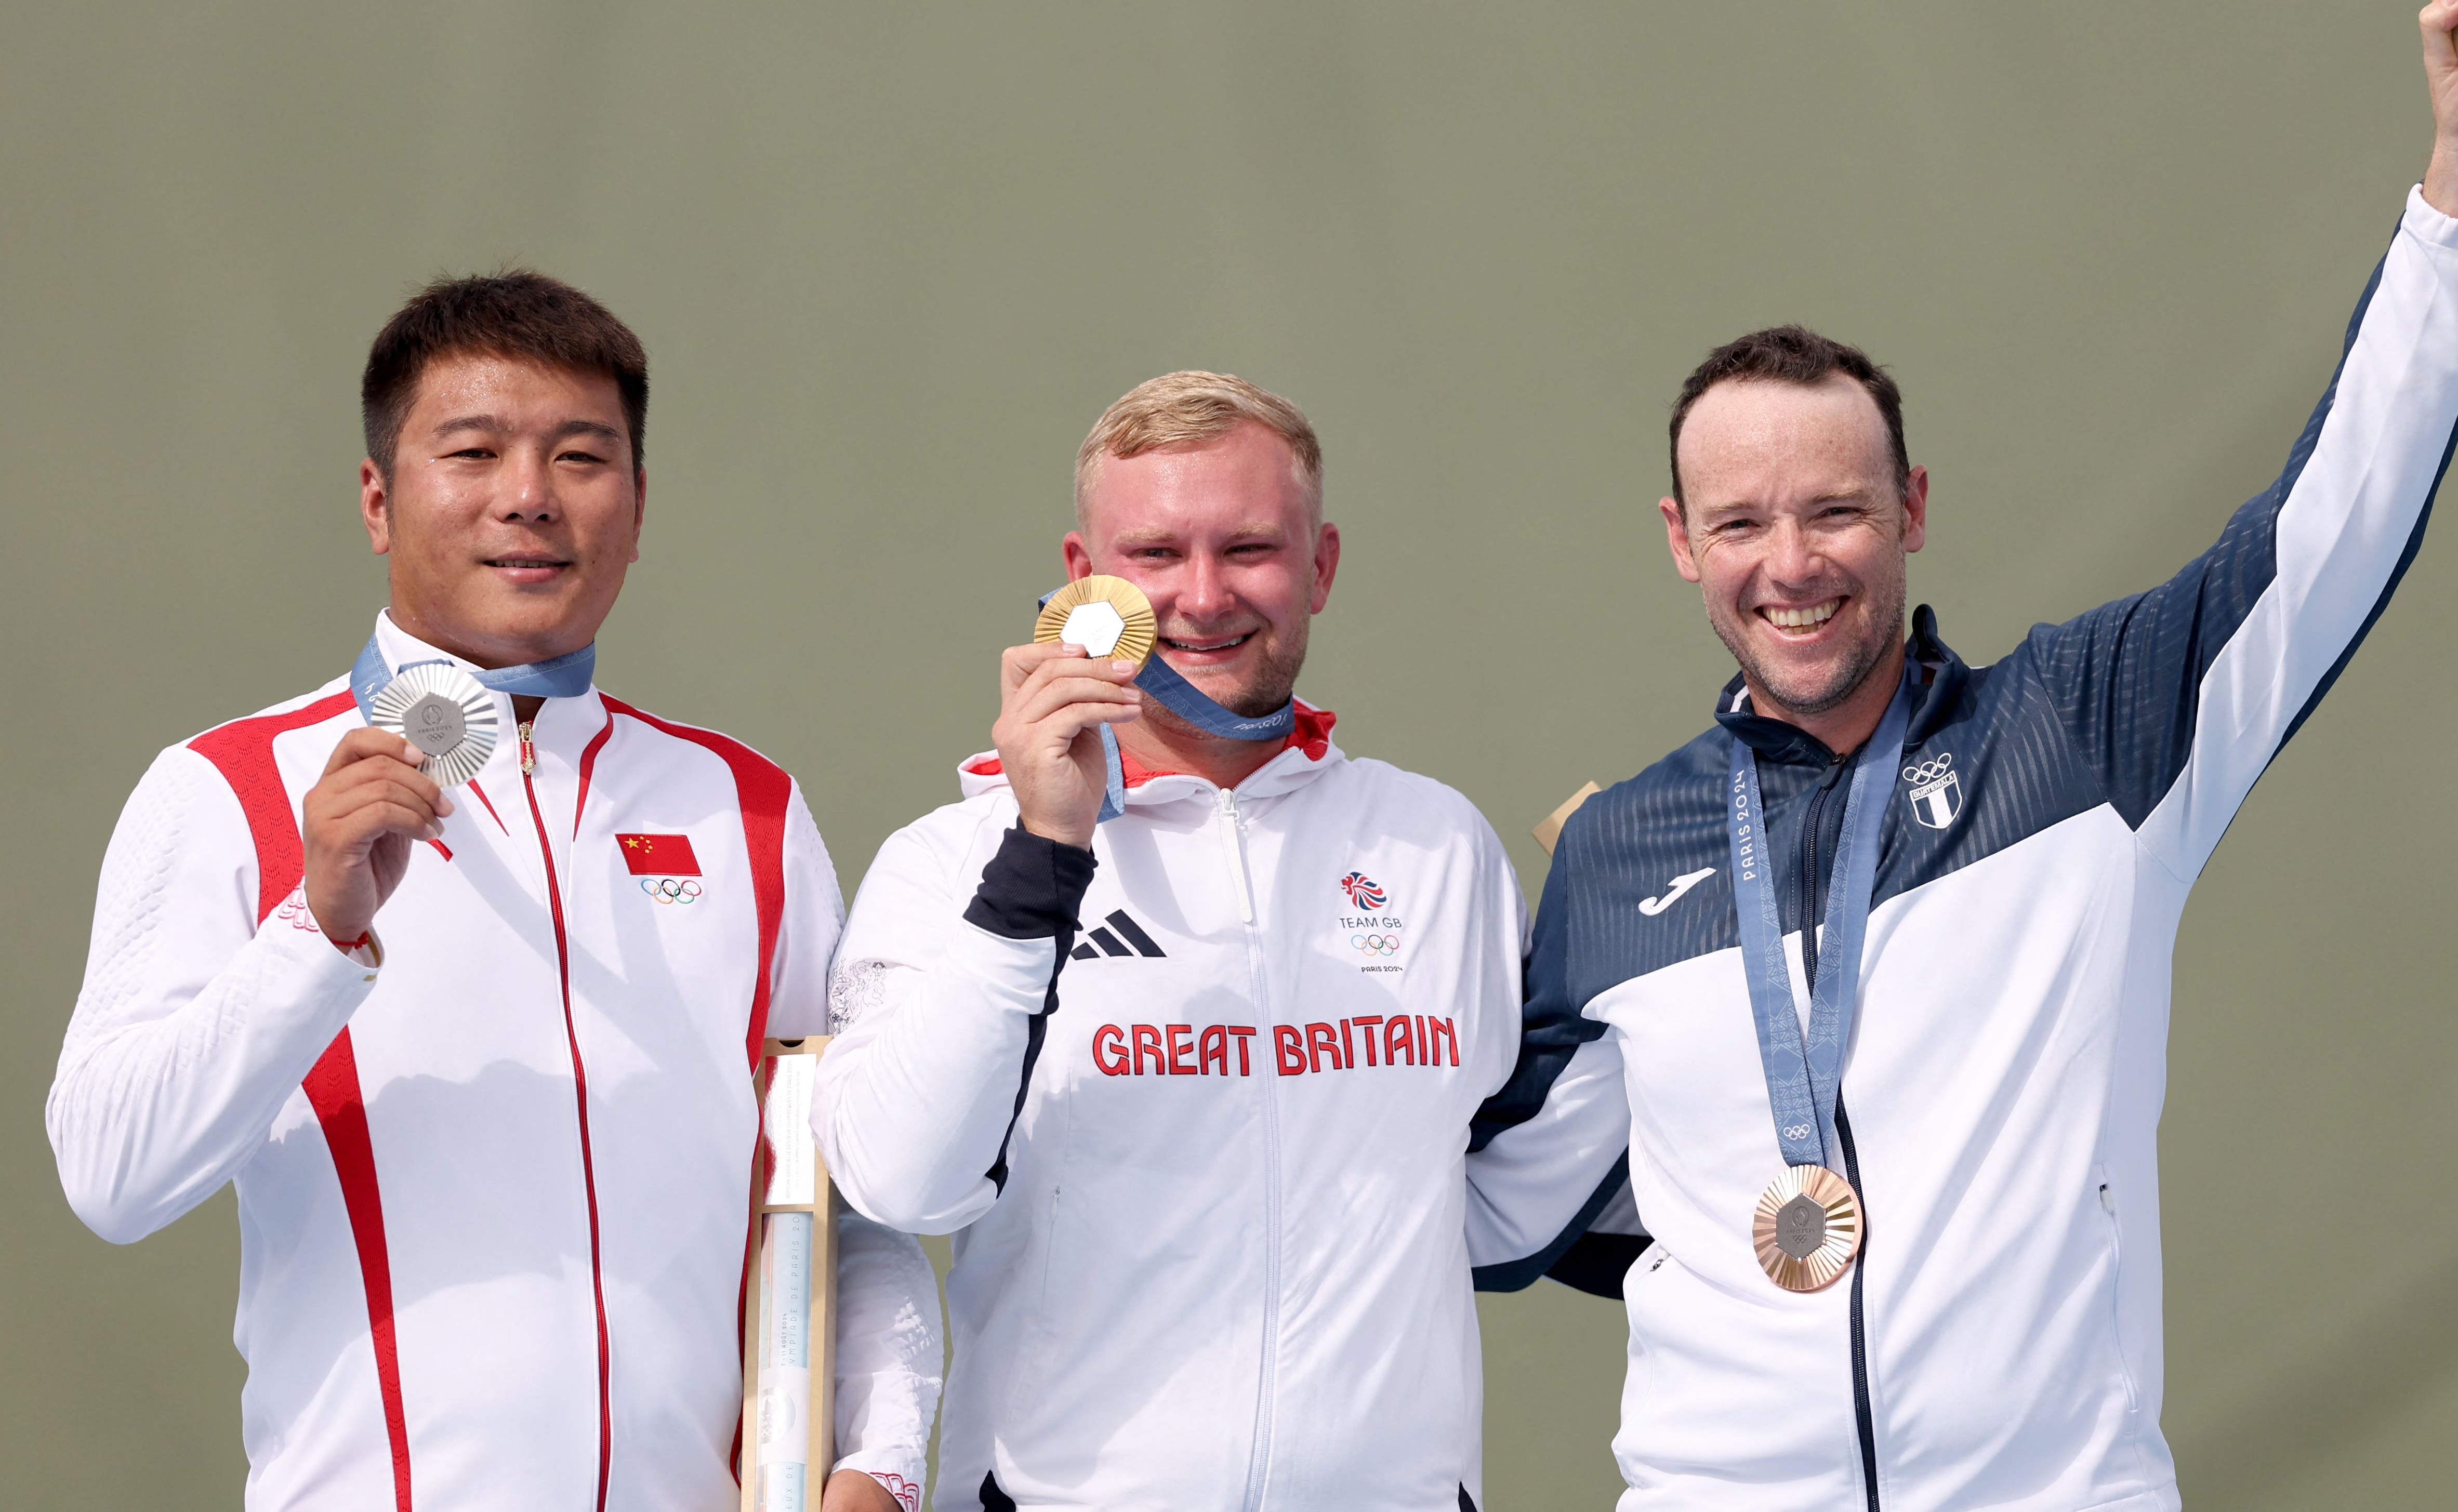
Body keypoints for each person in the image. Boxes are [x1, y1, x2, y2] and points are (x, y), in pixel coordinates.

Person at [1471, 12, 2458, 1509]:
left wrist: (2448, 204)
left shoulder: (2082, 733)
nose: (1791, 565)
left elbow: (2330, 523)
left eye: (1836, 511)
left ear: (1911, 506)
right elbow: (1491, 1207)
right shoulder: (1622, 853)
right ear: (1682, 543)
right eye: (1739, 524)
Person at [47, 272, 941, 1512]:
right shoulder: (230, 788)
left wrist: (882, 1463)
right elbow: (110, 1175)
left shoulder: (747, 810)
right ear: (377, 498)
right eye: (472, 451)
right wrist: (320, 930)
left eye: (583, 456)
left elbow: (846, 1201)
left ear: (638, 504)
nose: (529, 496)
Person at [811, 373, 1560, 1511]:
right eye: (1155, 555)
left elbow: (1497, 1188)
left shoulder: (1436, 845)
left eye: (1249, 548)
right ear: (1082, 580)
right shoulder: (951, 861)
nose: (1203, 598)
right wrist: (1043, 850)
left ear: (1321, 567)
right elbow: (907, 1184)